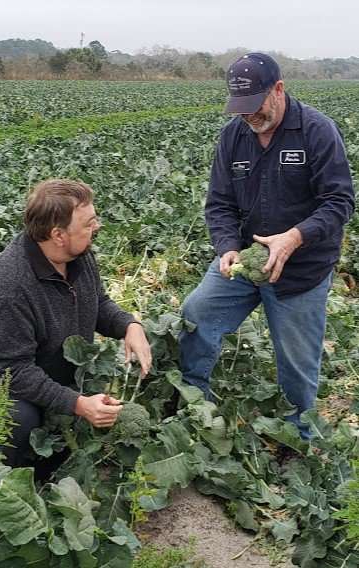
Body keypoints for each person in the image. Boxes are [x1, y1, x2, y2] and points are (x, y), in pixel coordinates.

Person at [179, 52, 355, 439]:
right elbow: (220, 204)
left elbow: (340, 202)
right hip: (244, 261)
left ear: (278, 89)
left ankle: (299, 439)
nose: (249, 118)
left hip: (301, 272)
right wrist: (226, 246)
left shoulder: (316, 131)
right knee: (196, 314)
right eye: (240, 109)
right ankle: (193, 405)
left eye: (255, 107)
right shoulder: (233, 135)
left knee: (297, 365)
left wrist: (294, 237)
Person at [0, 178, 152, 467]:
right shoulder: (10, 287)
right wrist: (79, 404)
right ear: (58, 235)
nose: (97, 227)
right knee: (20, 420)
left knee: (67, 415)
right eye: (88, 223)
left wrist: (130, 326)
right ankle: (5, 485)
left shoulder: (79, 255)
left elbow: (98, 303)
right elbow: (12, 370)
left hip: (32, 358)